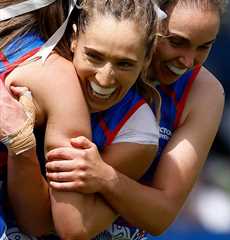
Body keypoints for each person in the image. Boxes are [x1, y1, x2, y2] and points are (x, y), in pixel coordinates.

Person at [44, 0, 227, 238]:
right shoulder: (76, 56)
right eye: (176, 41)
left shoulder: (204, 92)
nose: (188, 61)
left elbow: (161, 215)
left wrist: (106, 178)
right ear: (148, 24)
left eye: (204, 47)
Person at [0, 0, 163, 239]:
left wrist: (107, 179)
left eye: (125, 63)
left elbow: (68, 227)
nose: (105, 79)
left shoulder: (136, 126)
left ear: (147, 58)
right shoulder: (56, 80)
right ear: (74, 38)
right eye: (94, 56)